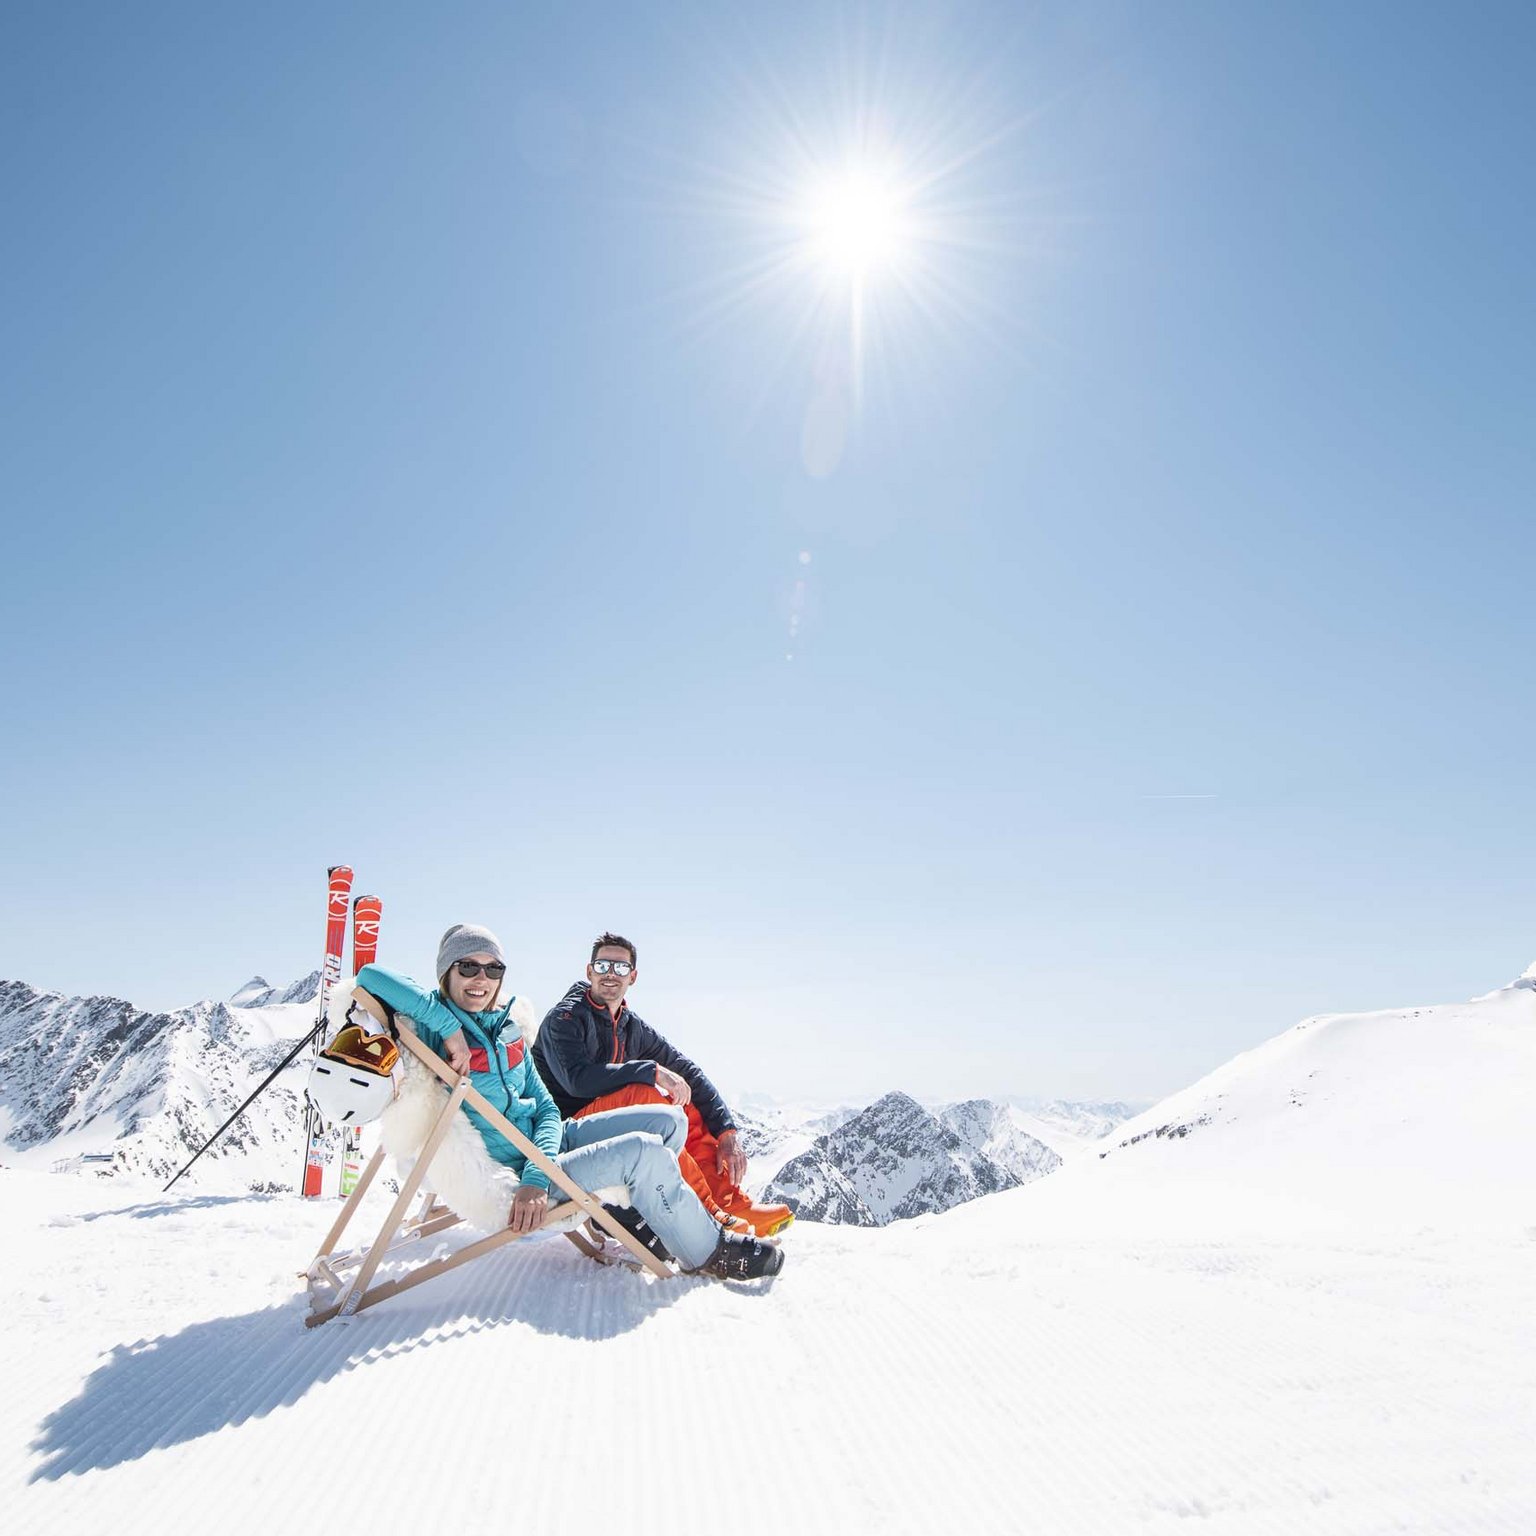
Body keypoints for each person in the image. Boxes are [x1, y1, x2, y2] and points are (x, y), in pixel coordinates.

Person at [356, 923, 784, 1281]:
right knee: (643, 1151)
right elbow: (370, 976)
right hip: (521, 1170)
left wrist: (725, 1128)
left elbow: (544, 1108)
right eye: (467, 966)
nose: (480, 979)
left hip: (550, 1146)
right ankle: (708, 1250)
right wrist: (446, 1026)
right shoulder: (440, 1025)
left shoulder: (504, 1031)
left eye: (492, 969)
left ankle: (668, 1216)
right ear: (446, 971)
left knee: (669, 1120)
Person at [531, 932, 794, 1237]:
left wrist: (727, 1132)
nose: (611, 975)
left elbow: (688, 1073)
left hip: (606, 1123)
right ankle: (704, 1212)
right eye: (603, 967)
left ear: (633, 976)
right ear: (589, 972)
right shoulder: (564, 1018)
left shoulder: (630, 1026)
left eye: (620, 968)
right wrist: (651, 1070)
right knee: (643, 1095)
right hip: (565, 1132)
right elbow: (577, 1081)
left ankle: (729, 1203)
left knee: (684, 1095)